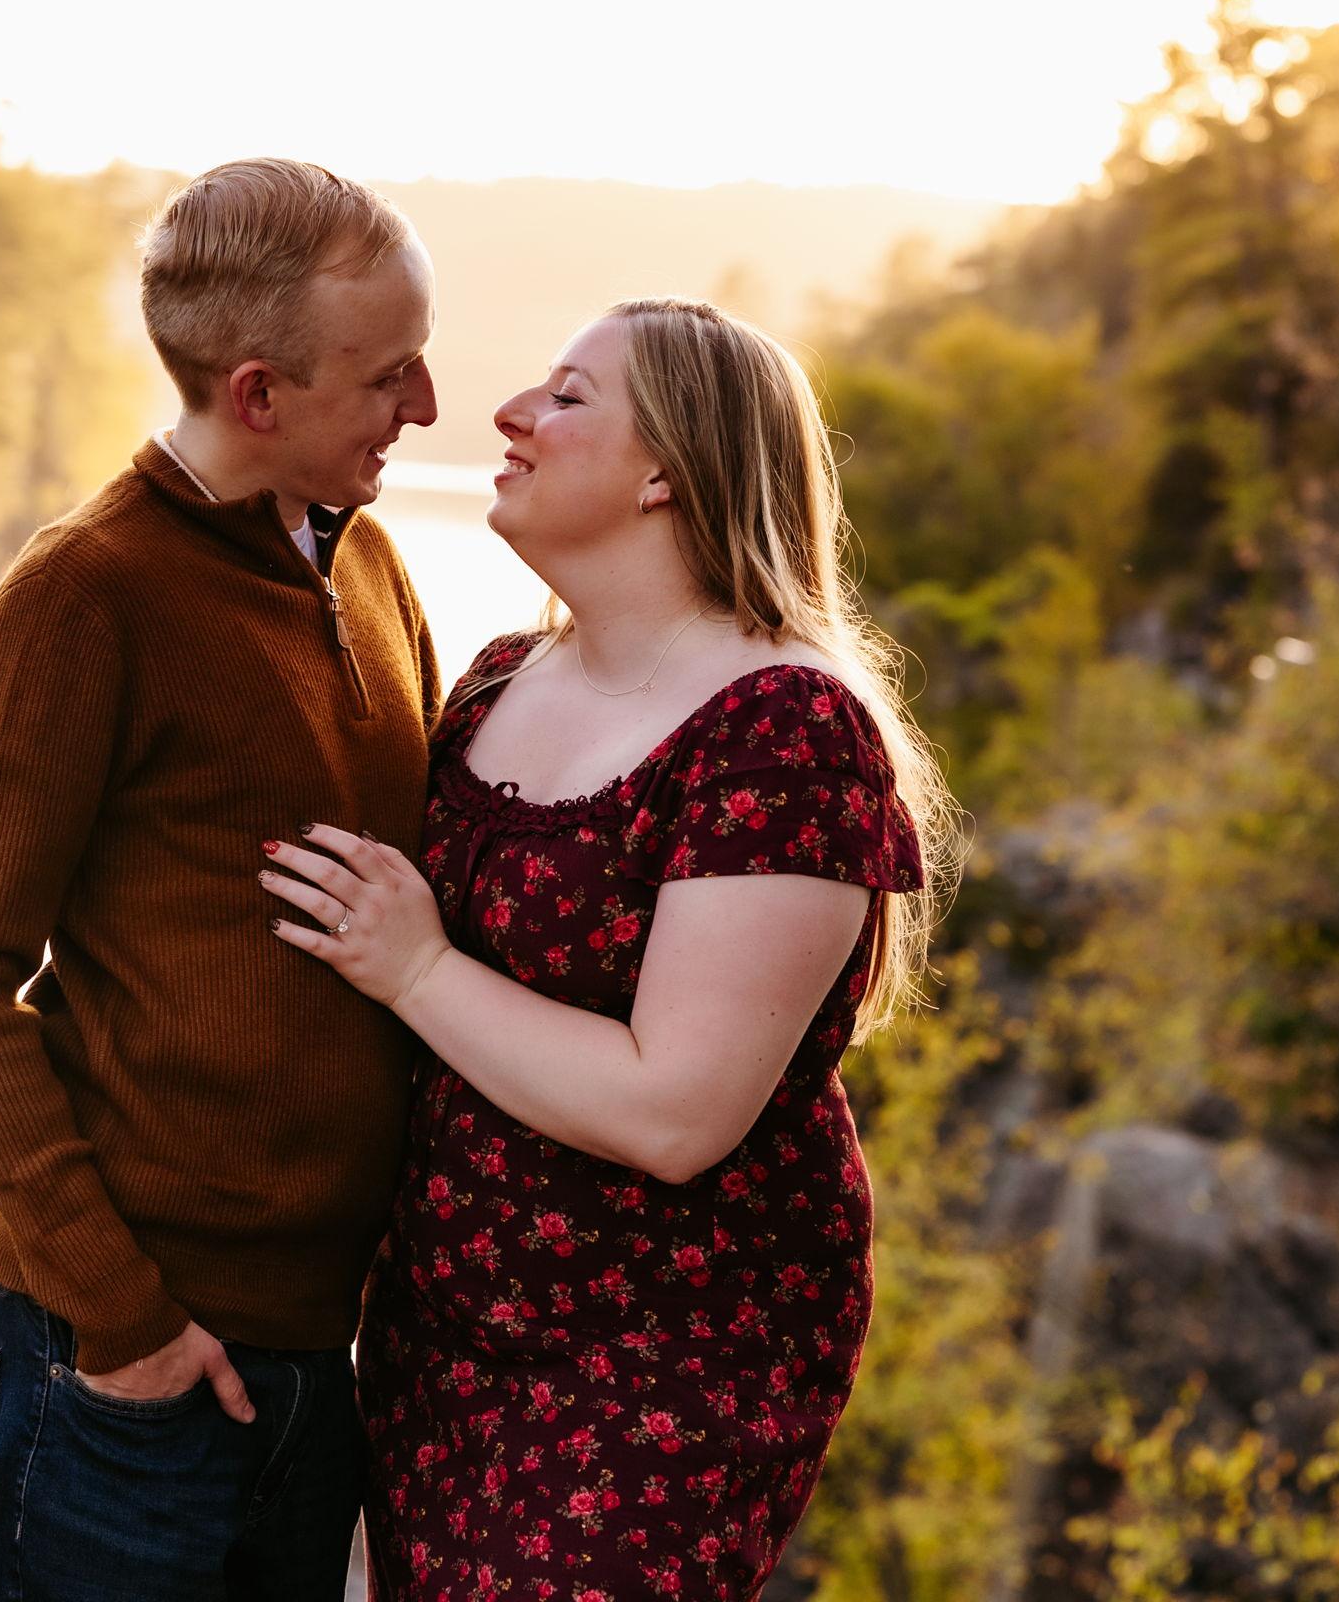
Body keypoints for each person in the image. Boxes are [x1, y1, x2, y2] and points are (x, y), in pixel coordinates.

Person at [259, 297, 960, 1600]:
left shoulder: (784, 730)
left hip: (659, 1370)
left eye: (568, 397)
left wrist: (418, 968)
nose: (510, 414)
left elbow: (675, 1112)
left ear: (666, 474)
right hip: (431, 1338)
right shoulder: (494, 681)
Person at [0, 157, 441, 1602]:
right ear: (258, 394)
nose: (427, 405)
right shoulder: (87, 591)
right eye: (388, 374)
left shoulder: (373, 567)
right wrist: (123, 1320)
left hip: (317, 1359)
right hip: (123, 1368)